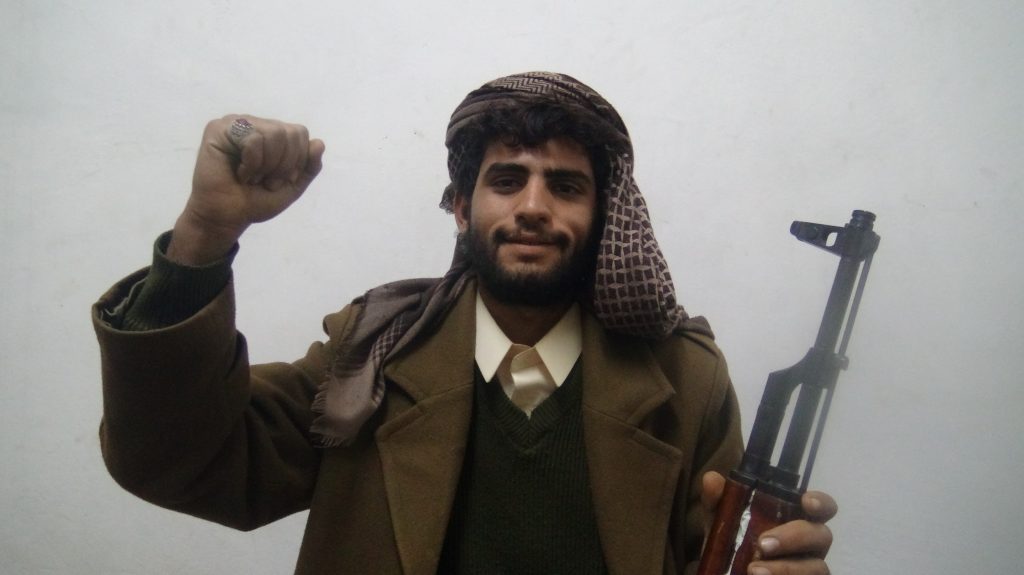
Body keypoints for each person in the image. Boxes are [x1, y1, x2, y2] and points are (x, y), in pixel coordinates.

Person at [93, 72, 836, 574]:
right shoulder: (372, 355)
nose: (533, 207)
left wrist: (775, 561)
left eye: (565, 186)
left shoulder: (683, 379)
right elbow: (176, 459)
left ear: (606, 217)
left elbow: (722, 555)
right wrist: (205, 231)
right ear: (459, 206)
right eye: (507, 180)